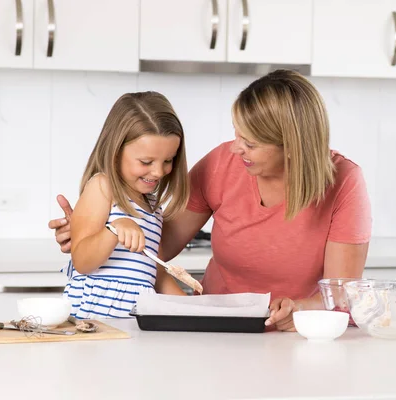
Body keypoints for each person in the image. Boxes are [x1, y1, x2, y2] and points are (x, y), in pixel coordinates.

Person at [49, 70, 372, 330]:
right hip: (221, 324)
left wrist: (297, 309)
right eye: (236, 134)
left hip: (298, 330)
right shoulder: (221, 164)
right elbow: (157, 246)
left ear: (292, 146)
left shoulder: (344, 182)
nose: (235, 148)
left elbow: (340, 292)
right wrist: (91, 231)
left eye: (250, 142)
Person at [61, 91, 190, 319]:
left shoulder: (152, 208)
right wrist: (114, 229)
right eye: (146, 162)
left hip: (133, 317)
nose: (159, 171)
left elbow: (156, 273)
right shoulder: (103, 187)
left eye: (168, 160)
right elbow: (82, 261)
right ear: (116, 151)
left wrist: (196, 310)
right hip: (94, 319)